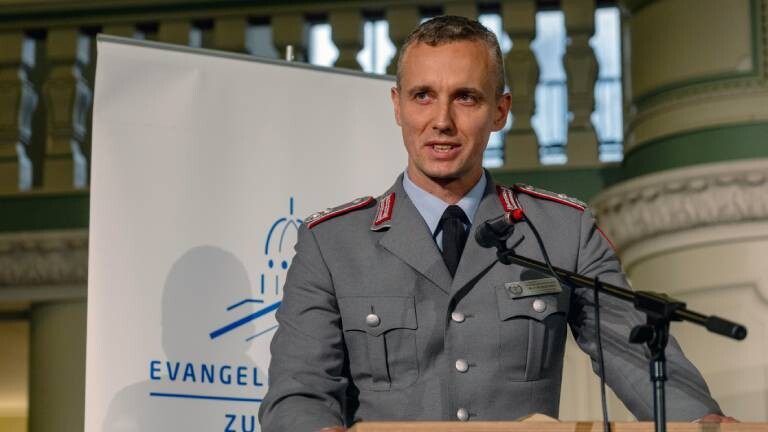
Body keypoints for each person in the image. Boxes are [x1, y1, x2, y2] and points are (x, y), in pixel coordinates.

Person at [258, 16, 734, 431]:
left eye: (465, 98)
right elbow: (298, 393)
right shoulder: (333, 244)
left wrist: (701, 423)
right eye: (423, 96)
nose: (441, 120)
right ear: (397, 105)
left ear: (500, 112)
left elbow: (634, 352)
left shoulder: (562, 231)